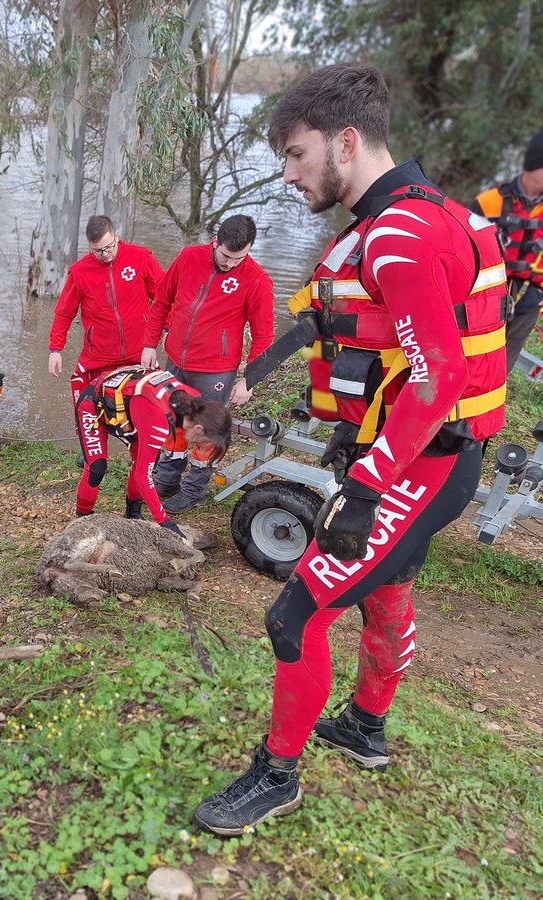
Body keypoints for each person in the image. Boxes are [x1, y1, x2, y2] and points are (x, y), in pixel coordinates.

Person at [193, 63, 508, 836]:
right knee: (384, 587)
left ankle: (277, 775)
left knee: (294, 617)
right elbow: (368, 344)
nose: (288, 174)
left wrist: (365, 488)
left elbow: (435, 382)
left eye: (296, 155)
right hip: (422, 454)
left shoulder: (398, 236)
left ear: (345, 142)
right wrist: (343, 432)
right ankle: (366, 727)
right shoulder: (418, 214)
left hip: (423, 461)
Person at [139, 214, 275, 513]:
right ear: (215, 241)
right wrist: (150, 343)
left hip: (216, 369)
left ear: (249, 249)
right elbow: (162, 300)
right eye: (226, 255)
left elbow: (264, 335)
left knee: (205, 430)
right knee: (173, 422)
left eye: (239, 258)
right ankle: (167, 478)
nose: (230, 263)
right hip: (175, 358)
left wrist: (248, 380)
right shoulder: (189, 258)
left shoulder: (257, 280)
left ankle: (194, 489)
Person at [48, 215, 166, 450]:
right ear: (89, 247)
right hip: (98, 356)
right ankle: (93, 452)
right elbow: (64, 313)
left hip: (138, 353)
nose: (105, 254)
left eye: (109, 247)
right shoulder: (80, 272)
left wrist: (167, 330)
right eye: (97, 250)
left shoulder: (141, 257)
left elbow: (164, 298)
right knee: (91, 407)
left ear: (117, 236)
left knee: (145, 408)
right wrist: (55, 349)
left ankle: (144, 453)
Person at [73, 365, 231, 527]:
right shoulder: (159, 419)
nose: (201, 447)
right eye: (203, 444)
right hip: (93, 404)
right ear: (198, 428)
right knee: (96, 468)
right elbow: (144, 476)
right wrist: (164, 521)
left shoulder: (196, 401)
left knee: (147, 458)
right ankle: (82, 518)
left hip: (133, 409)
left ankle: (133, 512)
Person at [470, 131, 543, 373]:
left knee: (503, 363)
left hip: (530, 298)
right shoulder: (489, 202)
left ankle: (492, 402)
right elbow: (463, 247)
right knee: (472, 350)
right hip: (485, 292)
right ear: (535, 165)